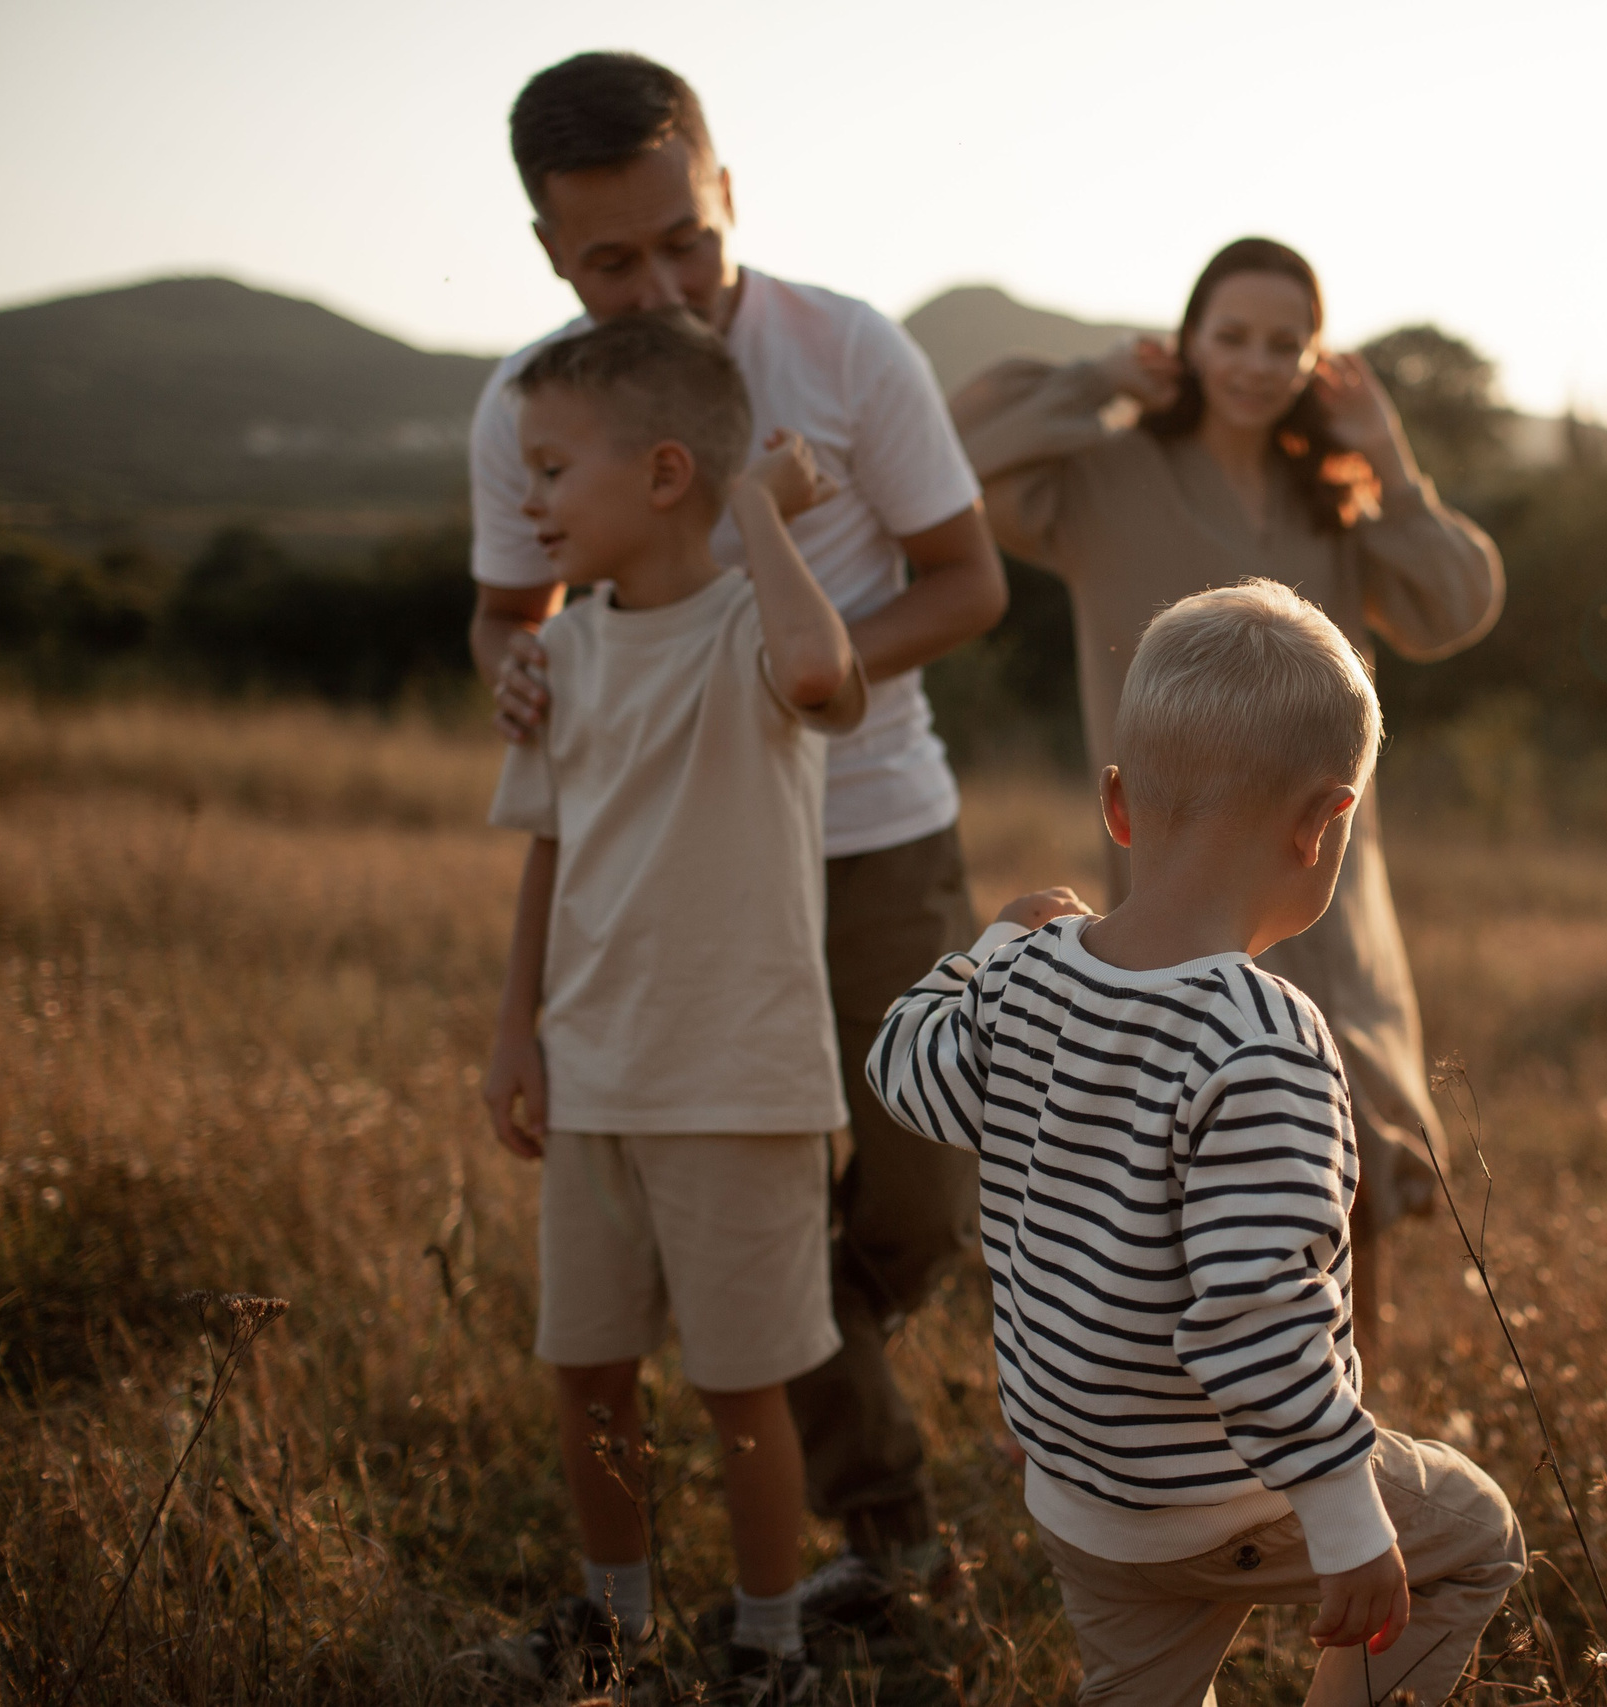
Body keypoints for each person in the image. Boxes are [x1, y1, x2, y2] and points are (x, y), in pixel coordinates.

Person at [469, 51, 1006, 1576]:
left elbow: (971, 581)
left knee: (919, 1181)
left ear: (726, 191)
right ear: (551, 256)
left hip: (872, 826)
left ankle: (772, 1336)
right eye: (612, 260)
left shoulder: (852, 351)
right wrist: (518, 675)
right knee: (752, 1204)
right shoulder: (537, 409)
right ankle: (884, 1525)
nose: (662, 284)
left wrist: (768, 676)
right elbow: (515, 613)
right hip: (674, 871)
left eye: (686, 238)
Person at [867, 581, 1526, 1707]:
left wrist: (989, 941)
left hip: (1080, 1496)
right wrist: (1344, 1517)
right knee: (1472, 1534)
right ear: (1327, 825)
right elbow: (1254, 1314)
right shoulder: (1262, 1041)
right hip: (1227, 1499)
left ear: (1118, 805)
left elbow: (901, 1066)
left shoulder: (1024, 979)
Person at [948, 237, 1502, 1348]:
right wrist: (1096, 380)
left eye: (1283, 342)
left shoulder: (1330, 502)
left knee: (1343, 1133)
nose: (1256, 362)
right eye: (1232, 336)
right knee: (1188, 1135)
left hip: (1323, 872)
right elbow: (954, 457)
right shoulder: (1099, 480)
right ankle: (1199, 1420)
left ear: (1315, 357)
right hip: (1178, 869)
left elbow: (1456, 605)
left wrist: (1389, 457)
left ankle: (1349, 1411)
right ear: (1189, 340)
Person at [474, 311, 861, 1699]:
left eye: (554, 468)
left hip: (739, 1078)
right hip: (592, 1068)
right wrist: (515, 1026)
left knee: (738, 1389)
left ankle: (770, 1639)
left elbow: (824, 677)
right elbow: (550, 846)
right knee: (587, 1367)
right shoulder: (562, 657)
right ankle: (614, 1618)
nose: (530, 499)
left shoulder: (757, 625)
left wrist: (759, 502)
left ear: (661, 473)